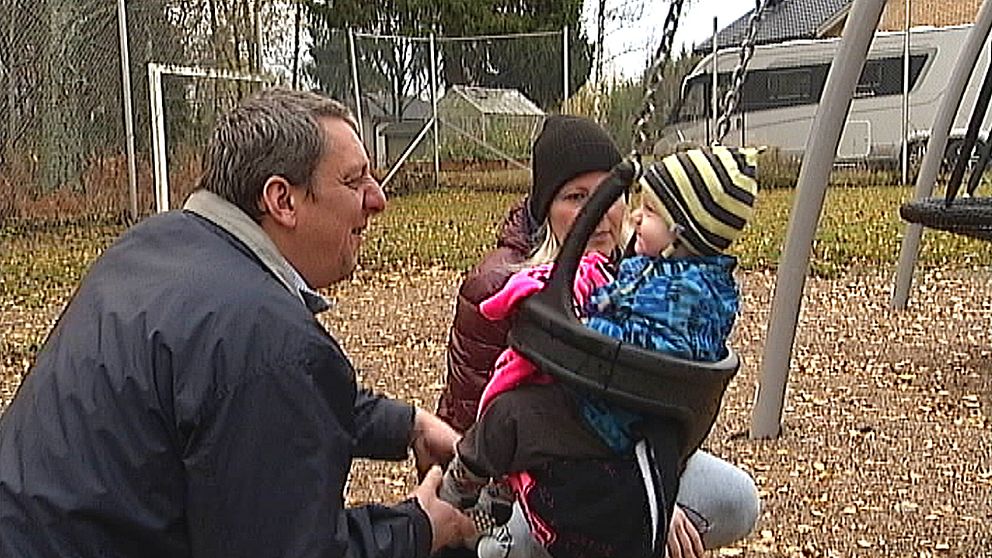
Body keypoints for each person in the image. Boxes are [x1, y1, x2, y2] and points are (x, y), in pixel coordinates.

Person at [0, 87, 475, 558]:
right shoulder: (266, 335)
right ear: (282, 201)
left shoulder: (153, 246)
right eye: (354, 181)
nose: (378, 199)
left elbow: (238, 395)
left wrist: (405, 425)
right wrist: (417, 526)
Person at [436, 116, 761, 558]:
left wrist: (652, 497)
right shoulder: (504, 287)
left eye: (611, 194)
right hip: (524, 476)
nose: (600, 213)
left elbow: (663, 399)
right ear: (546, 208)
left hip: (618, 446)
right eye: (576, 198)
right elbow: (471, 425)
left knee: (737, 498)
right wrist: (638, 508)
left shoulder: (640, 271)